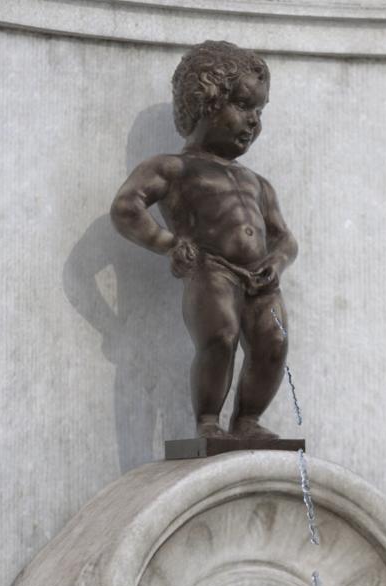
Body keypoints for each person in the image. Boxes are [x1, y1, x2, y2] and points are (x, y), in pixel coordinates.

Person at [110, 40, 298, 440]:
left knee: (273, 342)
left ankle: (246, 419)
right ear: (207, 101)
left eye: (260, 111)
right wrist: (168, 243)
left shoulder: (256, 182)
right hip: (212, 268)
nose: (254, 122)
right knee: (219, 337)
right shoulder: (174, 168)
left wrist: (277, 262)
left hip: (261, 277)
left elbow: (285, 238)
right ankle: (208, 422)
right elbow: (126, 207)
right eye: (245, 106)